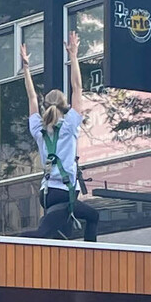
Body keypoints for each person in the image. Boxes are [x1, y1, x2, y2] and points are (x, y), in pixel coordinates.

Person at [23, 33, 99, 242]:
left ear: (46, 106)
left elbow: (31, 97)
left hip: (46, 193)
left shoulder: (39, 129)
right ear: (65, 106)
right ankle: (90, 255)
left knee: (59, 236)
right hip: (65, 193)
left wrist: (26, 69)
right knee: (93, 216)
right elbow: (77, 87)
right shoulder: (69, 126)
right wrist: (73, 56)